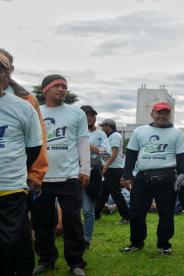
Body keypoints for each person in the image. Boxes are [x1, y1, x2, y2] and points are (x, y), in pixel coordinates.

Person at [31, 74, 90, 276]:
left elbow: (83, 141)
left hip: (69, 177)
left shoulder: (76, 114)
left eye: (64, 87)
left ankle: (76, 263)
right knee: (42, 222)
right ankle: (46, 259)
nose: (62, 90)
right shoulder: (34, 112)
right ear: (45, 89)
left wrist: (85, 169)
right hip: (41, 177)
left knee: (72, 221)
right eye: (57, 86)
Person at [120, 101, 184, 255]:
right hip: (142, 178)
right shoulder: (140, 131)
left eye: (165, 113)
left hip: (167, 179)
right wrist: (127, 175)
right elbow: (131, 154)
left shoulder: (178, 133)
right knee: (136, 212)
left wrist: (183, 176)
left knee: (166, 213)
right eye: (159, 112)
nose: (162, 116)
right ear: (152, 114)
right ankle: (136, 242)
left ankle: (164, 244)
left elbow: (183, 158)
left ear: (170, 115)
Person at [0, 55, 43, 276]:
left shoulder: (24, 105)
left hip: (11, 187)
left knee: (7, 242)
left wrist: (28, 173)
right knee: (20, 236)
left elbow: (34, 148)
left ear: (8, 74)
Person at [80, 105, 109, 249]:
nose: (89, 117)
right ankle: (73, 235)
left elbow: (107, 154)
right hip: (73, 172)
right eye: (86, 115)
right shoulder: (74, 131)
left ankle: (86, 239)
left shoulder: (100, 134)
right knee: (71, 208)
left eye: (92, 115)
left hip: (93, 173)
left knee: (87, 209)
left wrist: (93, 148)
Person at [94, 118, 130, 224]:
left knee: (116, 193)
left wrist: (105, 167)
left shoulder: (115, 136)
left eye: (103, 126)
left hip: (113, 169)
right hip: (110, 167)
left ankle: (127, 217)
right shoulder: (109, 137)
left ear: (109, 126)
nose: (102, 128)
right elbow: (106, 153)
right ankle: (96, 214)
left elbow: (113, 153)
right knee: (103, 193)